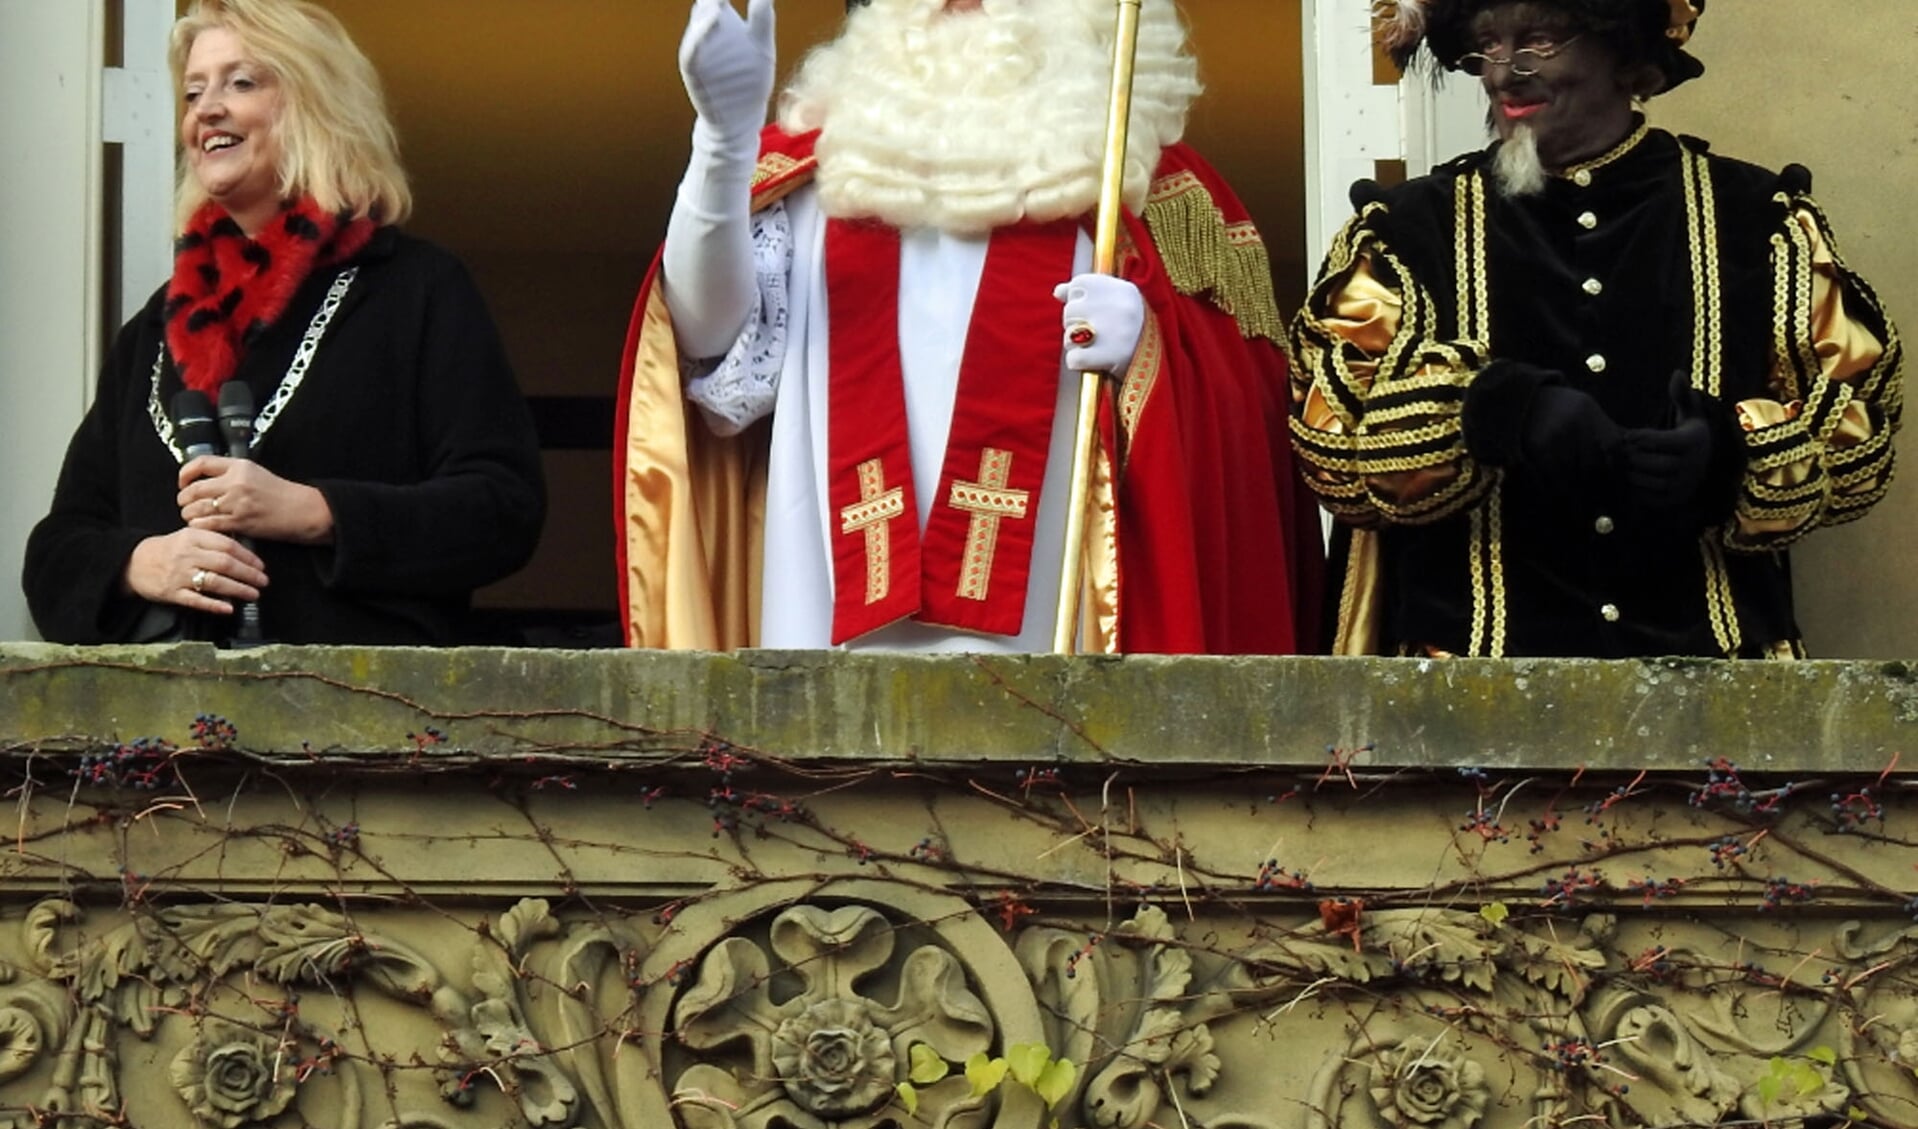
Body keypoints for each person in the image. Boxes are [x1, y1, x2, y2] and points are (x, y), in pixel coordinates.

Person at [615, 0, 1322, 653]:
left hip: (1067, 660)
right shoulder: (818, 175)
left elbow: (1252, 456)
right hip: (825, 647)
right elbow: (704, 342)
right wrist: (721, 145)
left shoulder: (1159, 196)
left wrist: (1150, 352)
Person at [1290, 0, 1902, 658]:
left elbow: (1859, 437)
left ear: (1625, 53)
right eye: (1486, 46)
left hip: (1716, 702)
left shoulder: (1758, 220)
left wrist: (1729, 456)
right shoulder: (1404, 230)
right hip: (1464, 713)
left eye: (1539, 39)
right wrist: (1492, 413)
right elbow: (1333, 452)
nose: (1504, 74)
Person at [23, 0, 545, 646]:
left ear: (314, 105)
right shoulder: (154, 333)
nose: (206, 109)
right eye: (193, 92)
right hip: (165, 732)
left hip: (361, 720)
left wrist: (313, 511)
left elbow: (504, 508)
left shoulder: (416, 291)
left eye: (241, 82)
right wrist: (142, 563)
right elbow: (54, 553)